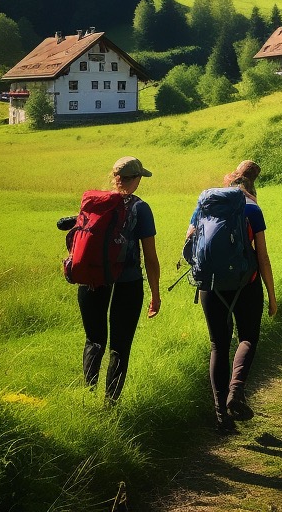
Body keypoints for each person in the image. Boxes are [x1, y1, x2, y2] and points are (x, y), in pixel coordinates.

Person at [186, 160, 276, 433]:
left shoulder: (204, 206)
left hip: (210, 286)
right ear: (251, 186)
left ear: (228, 183)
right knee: (247, 336)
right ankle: (235, 393)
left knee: (218, 345)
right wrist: (272, 296)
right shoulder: (252, 208)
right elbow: (262, 258)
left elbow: (189, 247)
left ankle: (220, 415)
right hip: (245, 285)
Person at [76, 155, 161, 403]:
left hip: (92, 279)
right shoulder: (140, 208)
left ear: (115, 178)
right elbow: (151, 257)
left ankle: (87, 396)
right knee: (120, 346)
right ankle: (109, 405)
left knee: (94, 340)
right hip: (128, 282)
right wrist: (155, 294)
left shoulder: (95, 203)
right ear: (134, 180)